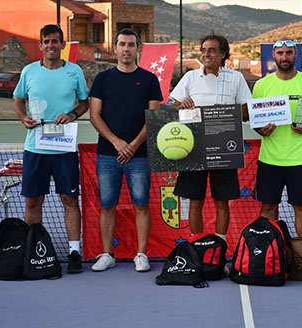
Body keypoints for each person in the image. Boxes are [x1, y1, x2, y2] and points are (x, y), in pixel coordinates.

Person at [13, 24, 89, 273]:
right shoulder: (29, 71)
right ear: (41, 45)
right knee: (33, 201)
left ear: (63, 45)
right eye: (46, 41)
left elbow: (84, 102)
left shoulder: (74, 71)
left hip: (64, 148)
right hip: (35, 148)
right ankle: (32, 249)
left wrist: (72, 114)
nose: (51, 45)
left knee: (69, 199)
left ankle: (74, 252)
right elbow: (18, 99)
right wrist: (23, 117)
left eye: (55, 41)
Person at [89, 28, 163, 272]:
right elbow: (94, 116)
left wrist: (132, 146)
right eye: (122, 44)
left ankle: (141, 254)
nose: (126, 49)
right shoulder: (102, 79)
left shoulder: (150, 79)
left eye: (131, 44)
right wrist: (117, 143)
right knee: (107, 205)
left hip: (139, 155)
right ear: (115, 48)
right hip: (108, 155)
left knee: (141, 204)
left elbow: (153, 118)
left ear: (138, 48)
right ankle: (107, 253)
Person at [170, 33, 252, 244]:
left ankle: (220, 249)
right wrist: (183, 105)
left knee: (222, 202)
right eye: (204, 50)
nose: (206, 54)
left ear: (223, 54)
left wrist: (227, 114)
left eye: (212, 50)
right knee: (195, 202)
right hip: (193, 148)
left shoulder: (236, 78)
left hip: (224, 148)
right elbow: (172, 109)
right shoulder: (189, 78)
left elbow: (247, 113)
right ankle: (197, 248)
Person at [252, 37, 302, 238]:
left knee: (301, 208)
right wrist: (261, 130)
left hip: (299, 159)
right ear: (273, 56)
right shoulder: (261, 85)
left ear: (296, 55)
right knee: (268, 208)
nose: (285, 57)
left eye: (288, 53)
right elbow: (256, 119)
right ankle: (267, 255)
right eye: (280, 53)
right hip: (269, 159)